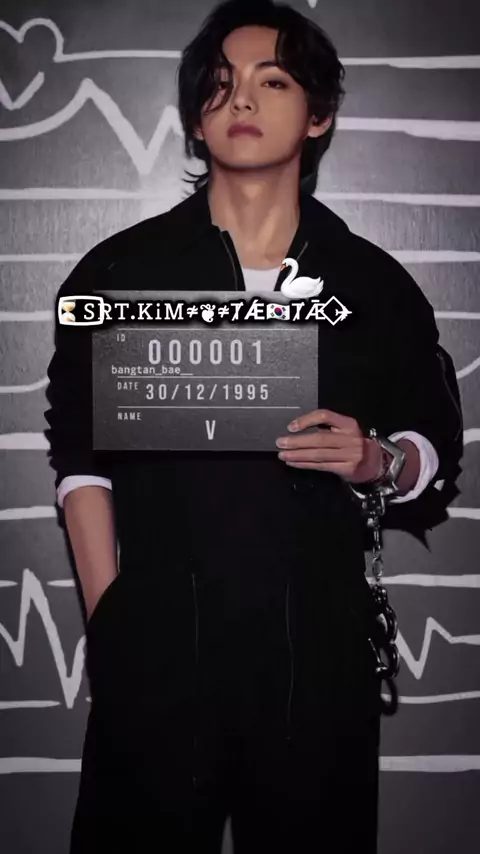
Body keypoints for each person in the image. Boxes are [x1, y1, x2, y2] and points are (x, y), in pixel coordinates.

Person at [44, 1, 463, 852]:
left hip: (318, 659)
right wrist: (111, 617)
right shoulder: (119, 272)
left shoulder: (375, 285)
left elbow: (433, 446)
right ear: (197, 117)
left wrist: (377, 459)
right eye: (221, 82)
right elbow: (80, 452)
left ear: (319, 115)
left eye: (272, 81)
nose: (241, 99)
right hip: (159, 652)